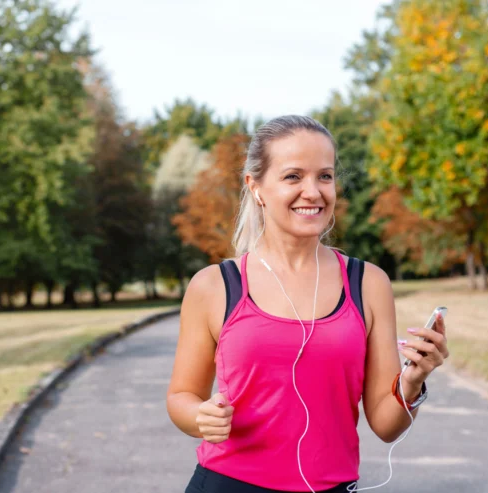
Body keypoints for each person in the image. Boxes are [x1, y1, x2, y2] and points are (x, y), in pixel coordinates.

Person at [166, 115, 450, 493]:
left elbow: (386, 426)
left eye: (325, 176)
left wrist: (412, 382)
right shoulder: (214, 285)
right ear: (256, 187)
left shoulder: (369, 284)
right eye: (293, 176)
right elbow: (181, 396)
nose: (313, 192)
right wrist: (199, 417)